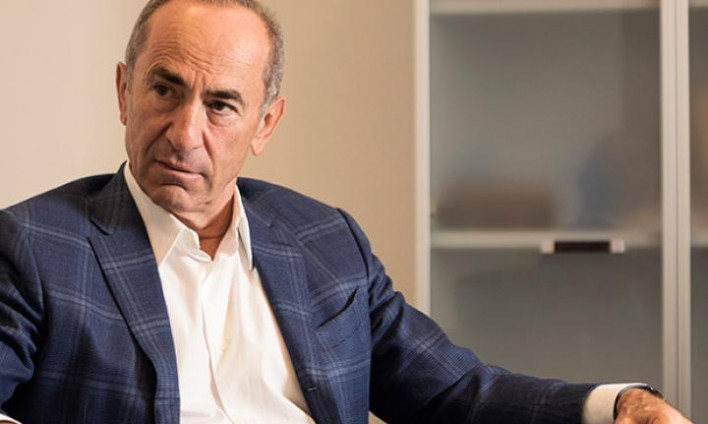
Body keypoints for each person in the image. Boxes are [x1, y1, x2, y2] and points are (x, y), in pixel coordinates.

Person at [0, 0, 691, 423]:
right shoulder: (33, 245)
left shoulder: (324, 240)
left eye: (221, 105)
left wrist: (617, 405)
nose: (185, 133)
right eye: (165, 90)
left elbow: (454, 394)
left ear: (265, 124)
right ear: (124, 92)